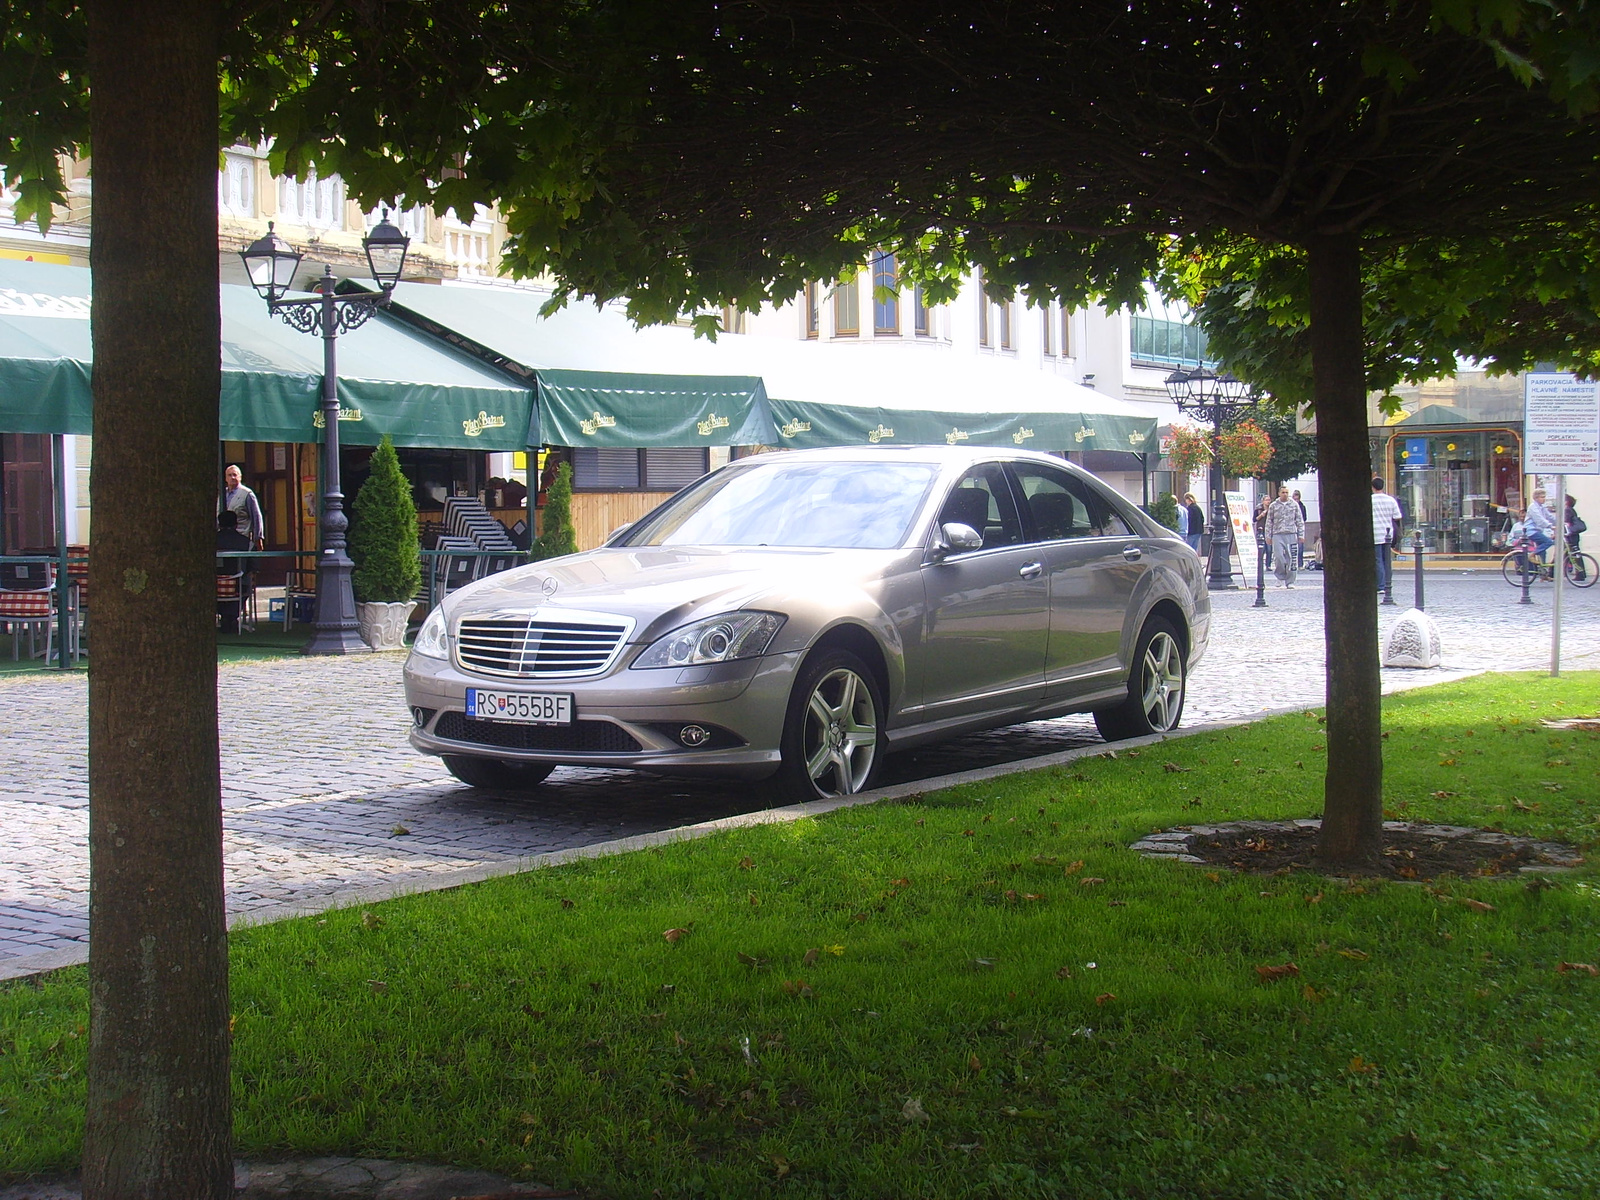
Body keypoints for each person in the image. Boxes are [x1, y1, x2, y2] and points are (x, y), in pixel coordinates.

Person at [1264, 484, 1306, 588]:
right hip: (1277, 534)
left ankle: (1290, 581)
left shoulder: (1294, 504)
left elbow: (1299, 520)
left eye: (1287, 492)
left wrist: (1301, 534)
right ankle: (1280, 577)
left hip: (1291, 533)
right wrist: (1268, 536)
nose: (1285, 494)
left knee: (1292, 559)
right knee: (1279, 557)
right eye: (1283, 492)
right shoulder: (1274, 505)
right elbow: (1269, 521)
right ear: (1279, 493)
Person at [219, 463, 265, 551]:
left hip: (242, 538)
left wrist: (258, 538)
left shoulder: (247, 494)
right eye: (229, 475)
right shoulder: (221, 494)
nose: (232, 477)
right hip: (223, 540)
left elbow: (256, 517)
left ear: (240, 477)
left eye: (235, 475)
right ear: (225, 478)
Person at [1371, 476, 1402, 594]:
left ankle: (1381, 585)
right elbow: (1397, 516)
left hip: (1375, 533)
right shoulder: (1391, 500)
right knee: (1386, 559)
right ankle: (1388, 583)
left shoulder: (1370, 500)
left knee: (1377, 559)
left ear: (1373, 487)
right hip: (1388, 533)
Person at [1524, 487, 1556, 569]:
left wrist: (1560, 522)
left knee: (1543, 552)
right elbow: (1539, 519)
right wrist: (1551, 526)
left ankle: (1543, 574)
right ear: (1536, 498)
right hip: (1532, 531)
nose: (1544, 499)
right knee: (1549, 542)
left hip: (1538, 531)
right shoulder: (1533, 507)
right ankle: (1532, 555)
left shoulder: (1542, 507)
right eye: (1542, 497)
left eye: (1544, 497)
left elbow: (1549, 517)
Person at [1567, 495, 1588, 581]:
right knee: (1574, 554)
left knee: (1574, 555)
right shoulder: (1571, 510)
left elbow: (1566, 523)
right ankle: (1581, 574)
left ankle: (1580, 574)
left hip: (1569, 536)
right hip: (1573, 535)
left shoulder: (1567, 510)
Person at [1253, 493, 1273, 570]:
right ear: (1263, 501)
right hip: (1261, 530)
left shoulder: (1272, 509)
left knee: (1269, 549)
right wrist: (1261, 515)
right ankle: (1260, 564)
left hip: (1269, 530)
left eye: (1269, 500)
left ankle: (1268, 565)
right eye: (1266, 500)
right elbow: (1254, 519)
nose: (1268, 502)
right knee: (1262, 548)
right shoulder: (1258, 509)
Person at [1293, 489, 1308, 567]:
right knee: (1291, 547)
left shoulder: (1302, 507)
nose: (1296, 500)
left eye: (1297, 498)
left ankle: (1300, 564)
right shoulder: (1291, 506)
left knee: (1300, 547)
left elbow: (1305, 518)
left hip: (1300, 528)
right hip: (1292, 528)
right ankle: (1292, 564)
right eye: (1294, 499)